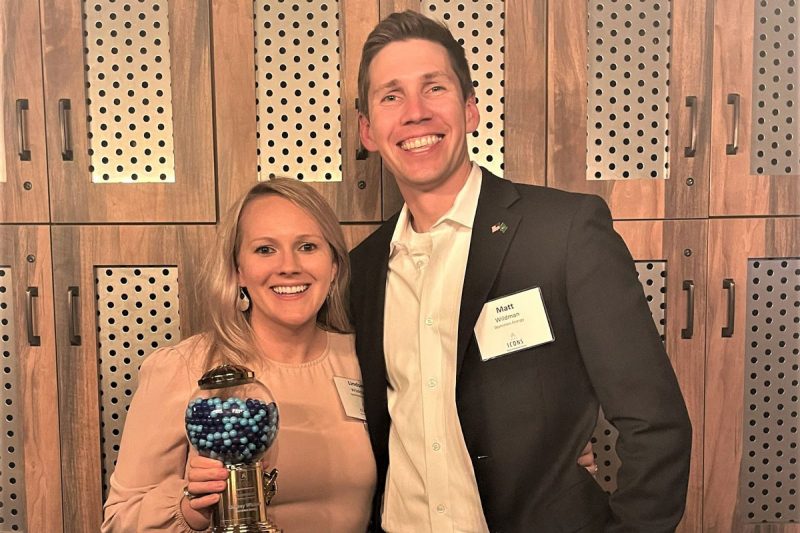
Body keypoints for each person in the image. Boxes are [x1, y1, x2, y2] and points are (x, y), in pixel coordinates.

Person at [349, 10, 692, 533]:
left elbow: (655, 424)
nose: (414, 113)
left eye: (434, 88)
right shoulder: (362, 269)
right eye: (391, 96)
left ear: (470, 110)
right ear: (369, 130)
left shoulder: (565, 232)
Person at [102, 179, 376, 532]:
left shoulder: (363, 358)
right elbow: (119, 521)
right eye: (265, 250)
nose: (289, 266)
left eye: (307, 246)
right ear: (238, 271)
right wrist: (191, 507)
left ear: (334, 265)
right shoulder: (185, 368)